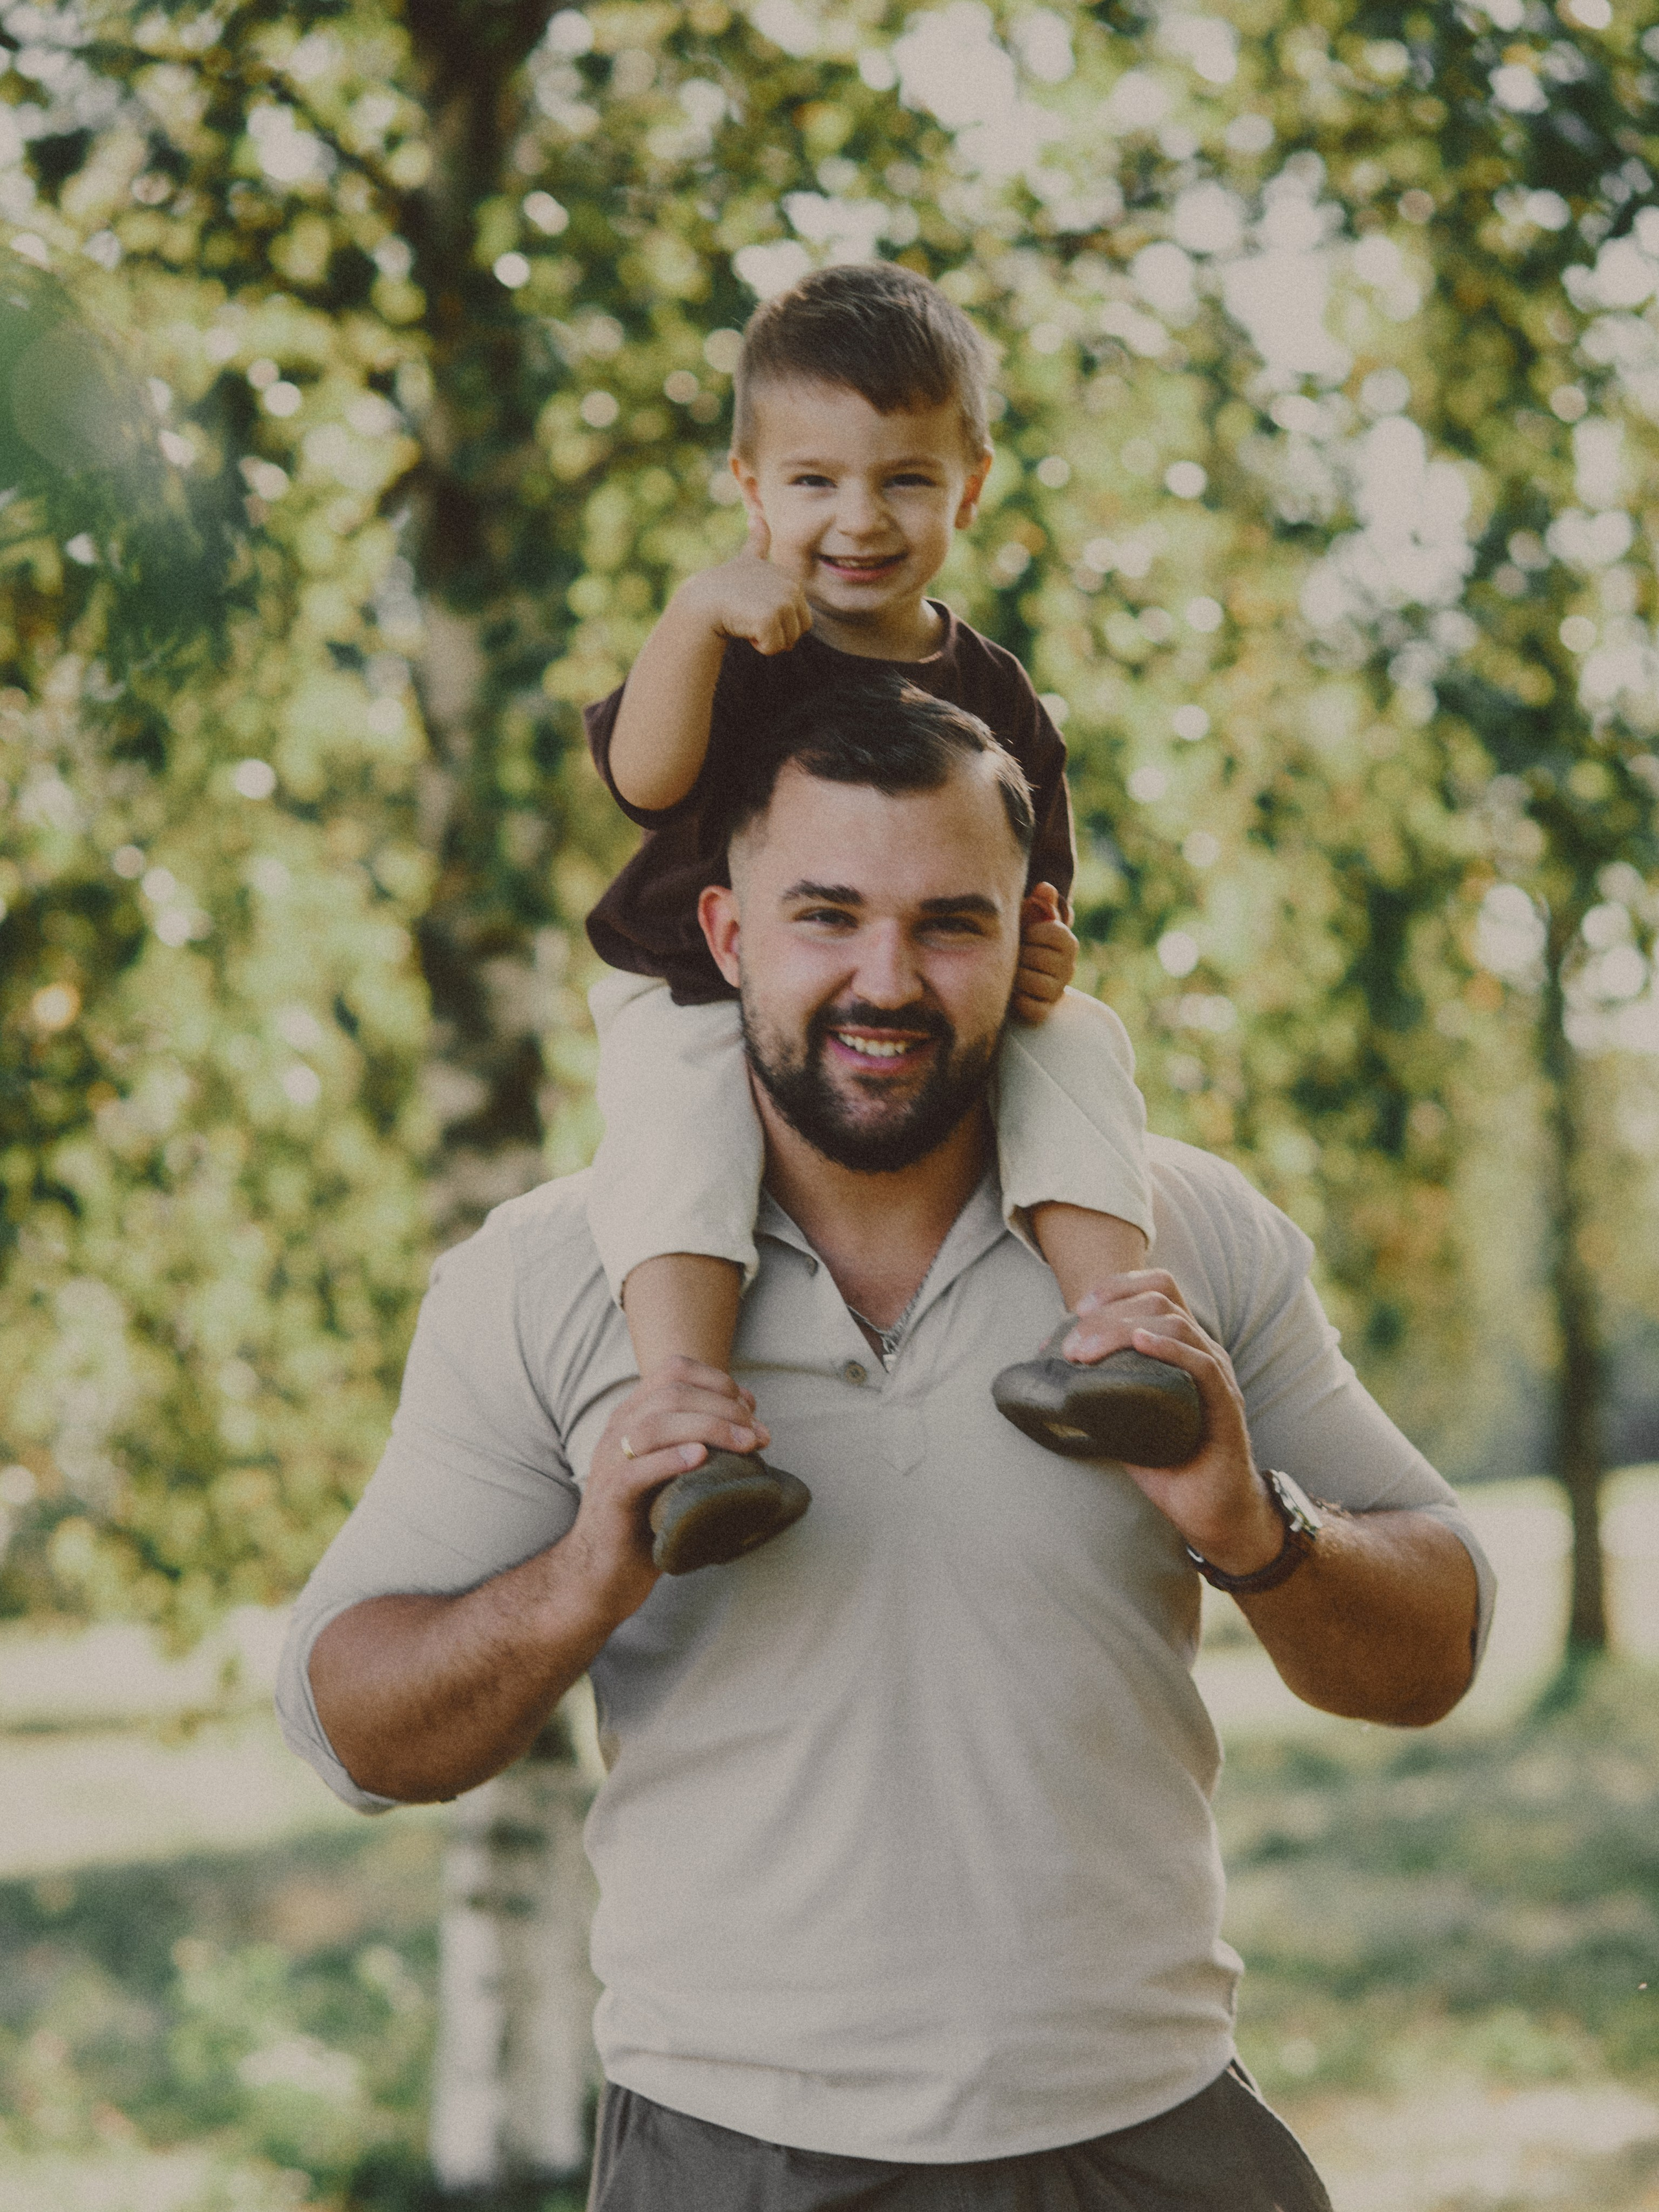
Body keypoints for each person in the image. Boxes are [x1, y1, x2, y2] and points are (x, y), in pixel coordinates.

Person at [278, 681, 1494, 2212]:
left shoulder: (1174, 1248)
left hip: (1149, 2143)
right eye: (827, 917)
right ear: (725, 935)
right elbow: (350, 1728)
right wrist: (581, 1578)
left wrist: (1254, 1526)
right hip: (734, 2159)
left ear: (1030, 935)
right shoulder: (546, 1280)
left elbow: (1436, 1648)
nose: (886, 980)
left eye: (947, 925)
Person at [582, 261, 1200, 1575]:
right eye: (813, 481)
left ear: (969, 487)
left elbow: (1028, 894)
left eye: (905, 480)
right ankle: (689, 1419)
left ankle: (1114, 1337)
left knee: (1080, 1041)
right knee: (676, 1113)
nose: (858, 519)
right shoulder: (736, 640)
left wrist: (1043, 954)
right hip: (696, 978)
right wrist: (693, 619)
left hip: (916, 989)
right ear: (751, 487)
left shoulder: (994, 690)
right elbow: (645, 782)